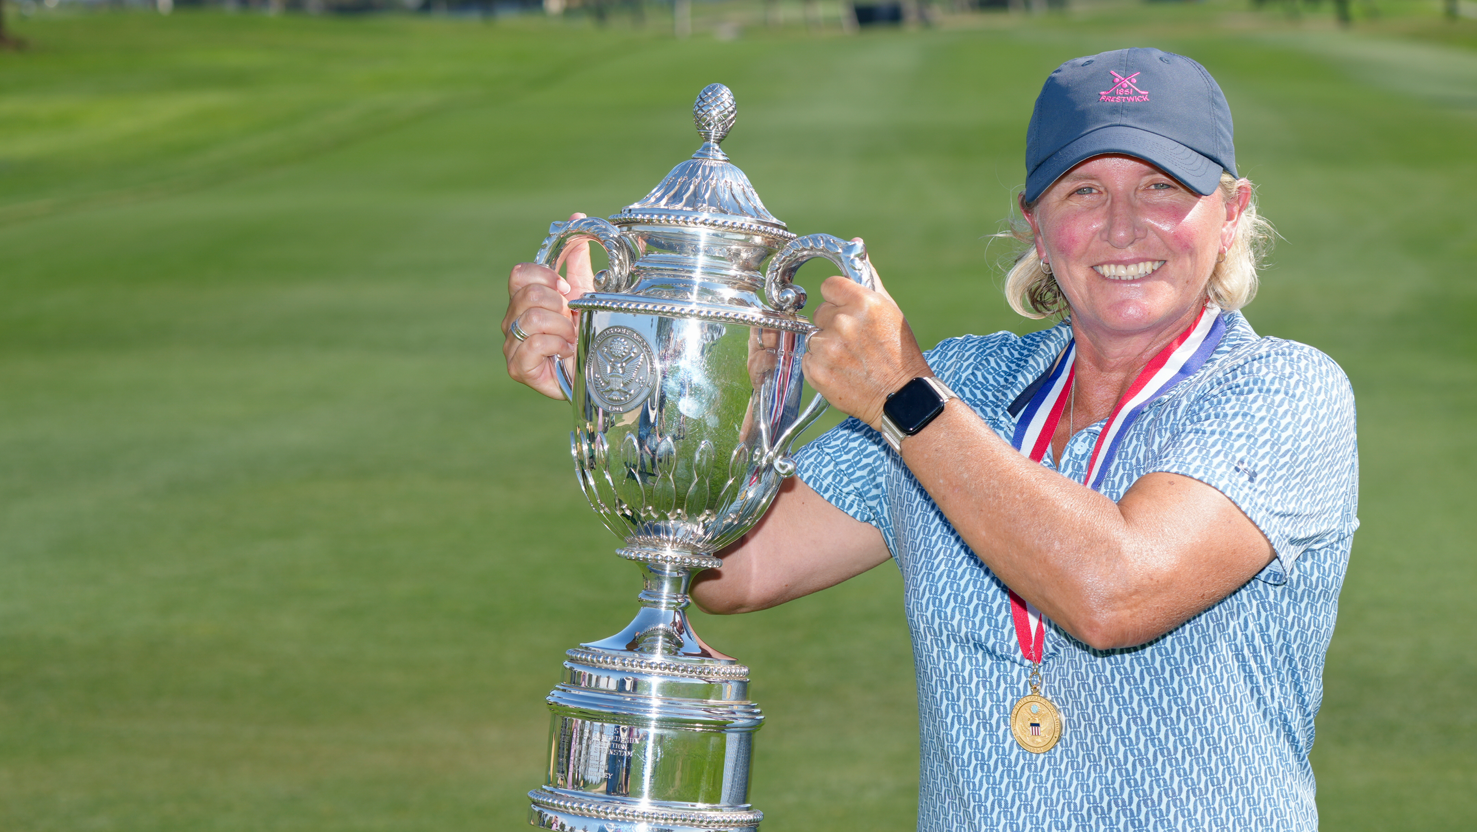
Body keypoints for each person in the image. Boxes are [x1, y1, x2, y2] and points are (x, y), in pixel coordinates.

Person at [503, 48, 1358, 831]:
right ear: (1034, 220)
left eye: (1163, 187)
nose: (1124, 226)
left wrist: (904, 398)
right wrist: (634, 373)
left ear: (1232, 210)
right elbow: (738, 564)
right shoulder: (970, 383)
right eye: (1083, 191)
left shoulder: (1283, 391)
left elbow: (1115, 593)